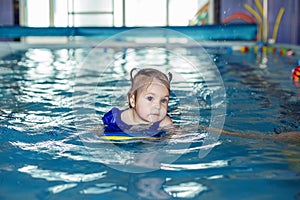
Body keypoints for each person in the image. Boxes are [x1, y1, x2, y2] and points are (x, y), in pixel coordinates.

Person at [102, 68, 173, 137]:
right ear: (132, 101)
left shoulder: (164, 123)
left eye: (163, 100)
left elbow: (175, 136)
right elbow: (97, 132)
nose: (158, 106)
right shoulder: (114, 119)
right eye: (150, 98)